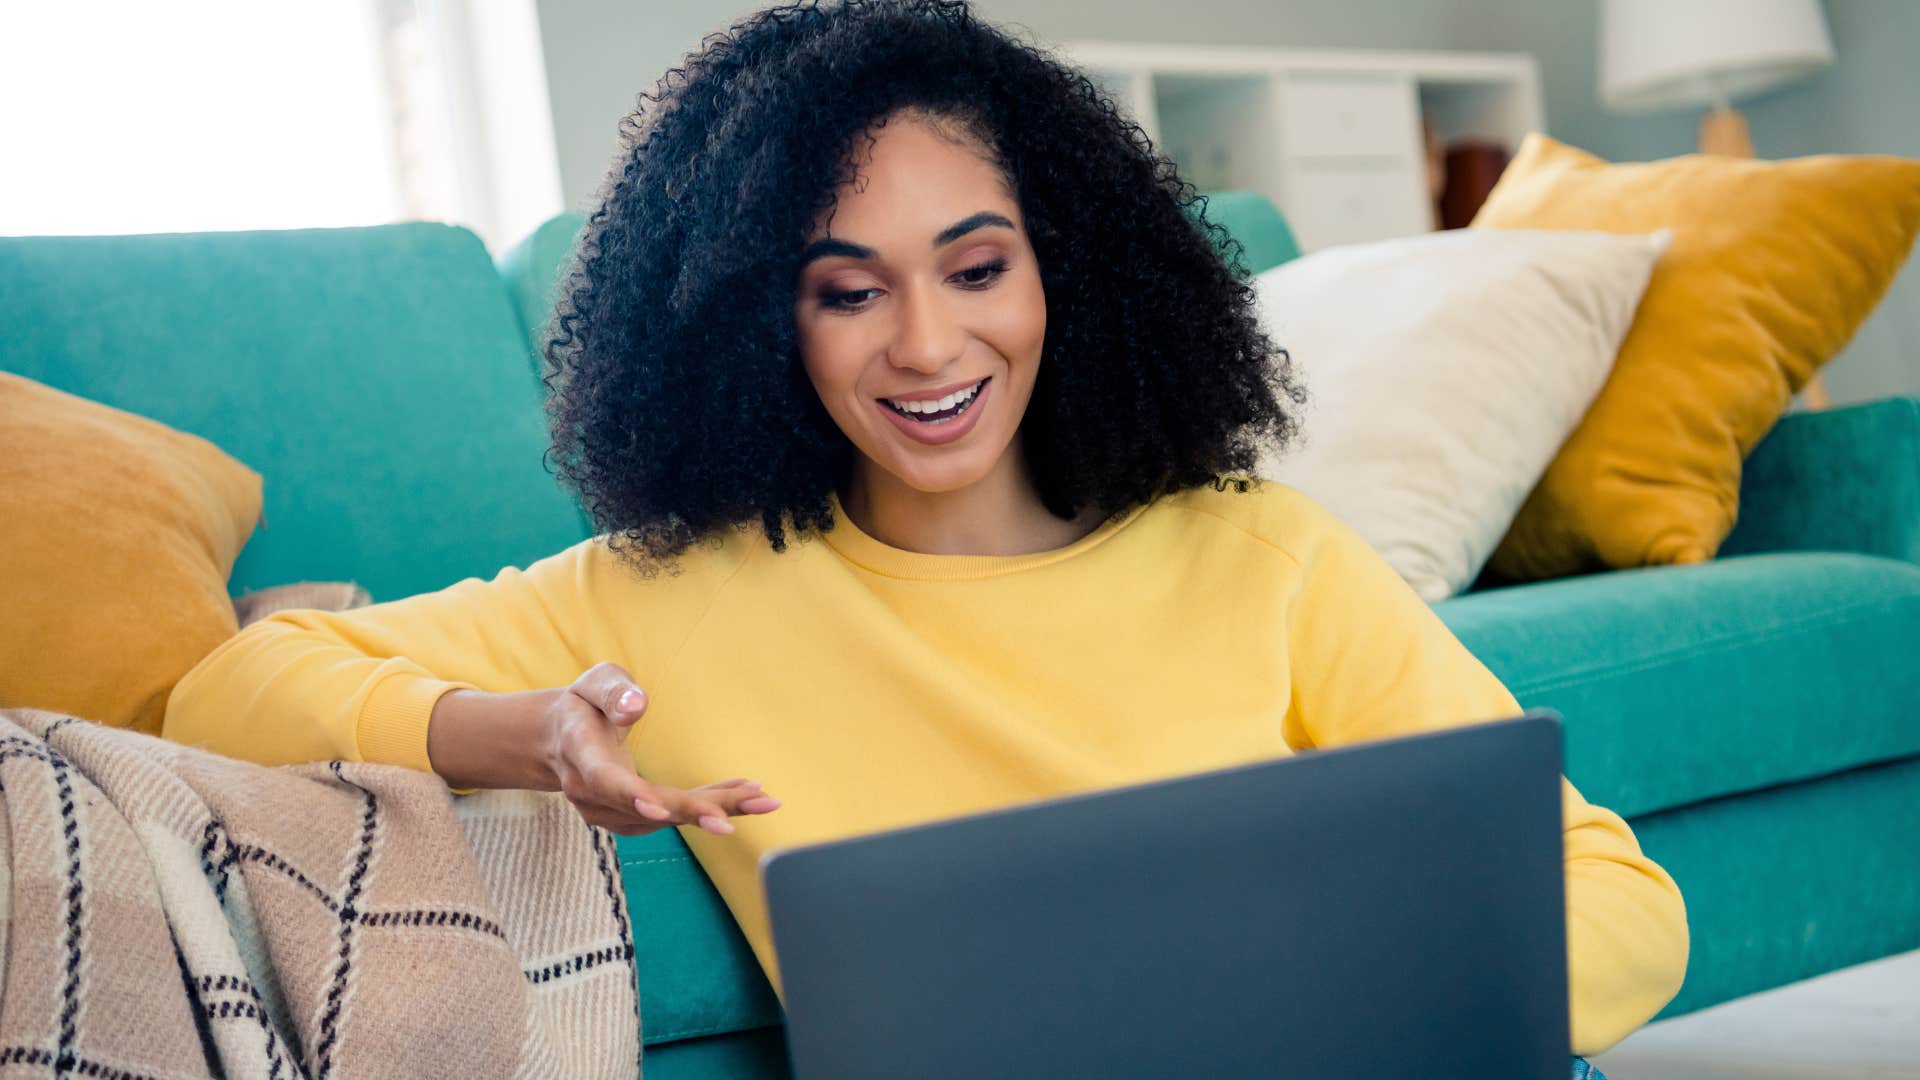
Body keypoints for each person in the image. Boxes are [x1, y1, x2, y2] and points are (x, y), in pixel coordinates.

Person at [163, 1, 1686, 1071]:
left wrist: (1322, 986)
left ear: (1064, 274)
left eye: (976, 267)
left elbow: (1624, 908)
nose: (927, 343)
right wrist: (526, 735)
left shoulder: (1259, 557)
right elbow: (227, 692)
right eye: (849, 290)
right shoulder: (679, 590)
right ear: (769, 324)